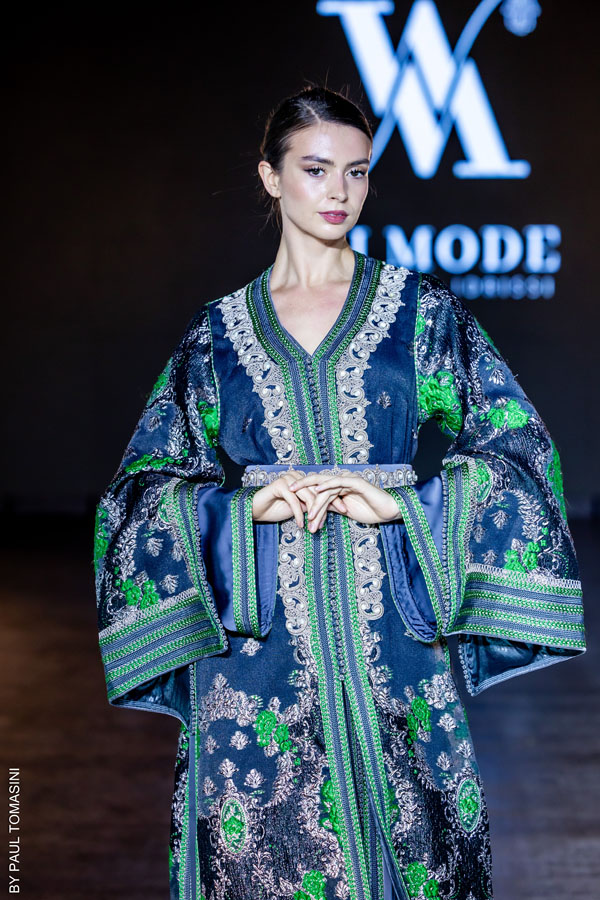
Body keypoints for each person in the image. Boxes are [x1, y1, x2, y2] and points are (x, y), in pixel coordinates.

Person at [93, 86, 586, 900]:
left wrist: (408, 505)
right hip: (255, 662)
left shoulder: (420, 316)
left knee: (417, 853)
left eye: (356, 172)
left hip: (394, 645)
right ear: (271, 176)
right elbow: (137, 499)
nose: (340, 192)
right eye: (316, 169)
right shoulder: (216, 337)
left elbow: (519, 448)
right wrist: (241, 509)